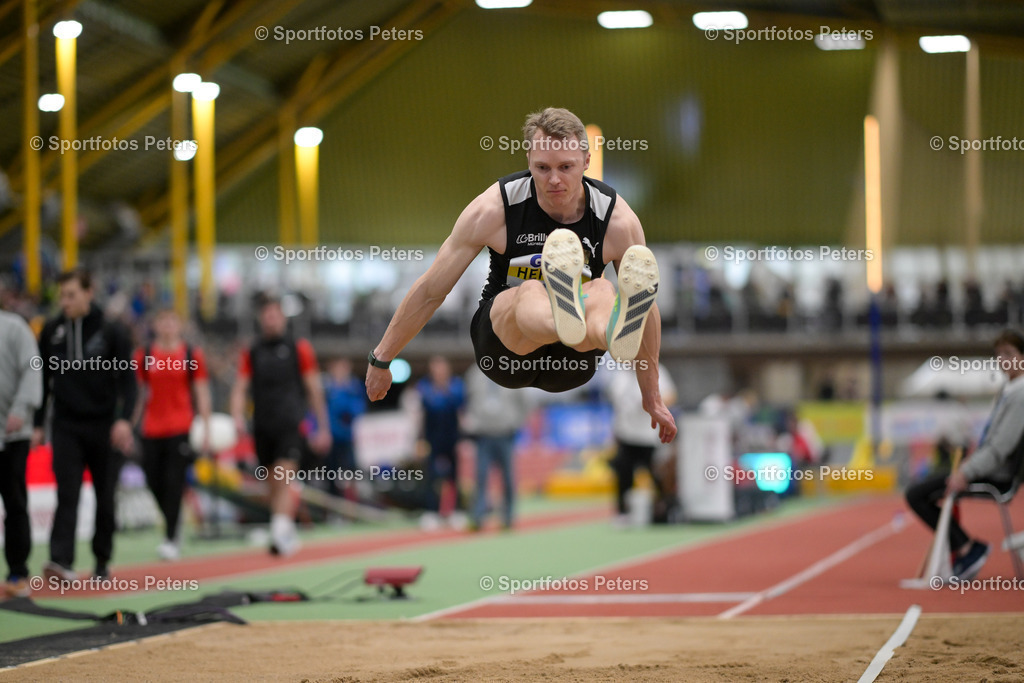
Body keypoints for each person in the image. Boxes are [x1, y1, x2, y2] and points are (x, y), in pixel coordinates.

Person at [365, 107, 676, 446]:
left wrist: (652, 396)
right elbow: (431, 290)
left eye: (565, 167)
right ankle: (564, 314)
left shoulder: (616, 220)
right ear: (528, 158)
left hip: (571, 363)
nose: (553, 179)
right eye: (542, 168)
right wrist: (382, 357)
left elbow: (646, 309)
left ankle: (609, 331)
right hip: (504, 352)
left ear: (587, 160)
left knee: (603, 290)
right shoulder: (494, 209)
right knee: (531, 291)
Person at [32, 268, 137, 581]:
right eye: (61, 296)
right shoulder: (51, 330)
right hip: (66, 425)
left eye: (71, 295)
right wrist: (38, 424)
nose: (64, 302)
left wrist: (124, 421)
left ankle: (102, 560)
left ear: (89, 293)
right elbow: (43, 381)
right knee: (67, 493)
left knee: (105, 497)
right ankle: (60, 561)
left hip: (105, 426)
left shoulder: (112, 331)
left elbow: (129, 382)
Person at [906, 329, 1024, 580]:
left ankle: (967, 548)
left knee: (915, 494)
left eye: (1009, 353)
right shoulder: (1009, 390)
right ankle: (966, 547)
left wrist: (966, 472)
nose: (1003, 360)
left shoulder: (1020, 395)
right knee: (921, 490)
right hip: (988, 468)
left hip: (997, 475)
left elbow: (1000, 447)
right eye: (999, 354)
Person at [230, 296, 331, 556]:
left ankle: (278, 530)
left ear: (283, 318)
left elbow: (314, 388)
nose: (271, 319)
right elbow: (240, 387)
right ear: (261, 319)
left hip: (291, 422)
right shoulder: (252, 351)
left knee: (284, 475)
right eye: (267, 315)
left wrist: (323, 427)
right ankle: (285, 528)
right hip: (262, 425)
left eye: (275, 315)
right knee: (272, 482)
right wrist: (237, 417)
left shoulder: (299, 348)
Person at [133, 309, 212, 561]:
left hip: (180, 427)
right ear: (155, 325)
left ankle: (171, 536)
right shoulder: (144, 355)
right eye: (163, 321)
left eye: (172, 321)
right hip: (151, 428)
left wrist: (206, 426)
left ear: (179, 325)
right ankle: (172, 521)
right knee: (152, 480)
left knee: (173, 482)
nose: (167, 326)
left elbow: (201, 391)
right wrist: (129, 424)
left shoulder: (190, 354)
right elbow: (138, 393)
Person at [0, 308, 43, 598]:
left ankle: (18, 572)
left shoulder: (14, 327)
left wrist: (21, 409)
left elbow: (33, 367)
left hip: (13, 433)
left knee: (14, 501)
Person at [605, 363, 677, 524]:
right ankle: (623, 512)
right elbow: (616, 405)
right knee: (623, 474)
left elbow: (671, 396)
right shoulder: (620, 375)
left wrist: (652, 402)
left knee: (656, 475)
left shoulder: (656, 370)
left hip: (648, 436)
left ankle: (666, 509)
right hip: (625, 435)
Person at [463, 364, 531, 531]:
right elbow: (468, 400)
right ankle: (478, 517)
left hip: (505, 433)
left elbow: (525, 402)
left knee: (508, 477)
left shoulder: (513, 369)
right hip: (483, 434)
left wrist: (517, 423)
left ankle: (508, 517)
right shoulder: (474, 373)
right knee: (480, 477)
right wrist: (472, 423)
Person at [414, 356, 465, 524]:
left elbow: (460, 409)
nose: (439, 371)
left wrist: (463, 439)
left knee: (454, 476)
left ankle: (456, 511)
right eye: (436, 368)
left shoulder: (456, 385)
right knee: (432, 476)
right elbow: (423, 413)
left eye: (442, 368)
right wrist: (419, 439)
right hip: (432, 438)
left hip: (452, 437)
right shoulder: (424, 386)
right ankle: (431, 512)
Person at [323, 357, 365, 500]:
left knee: (351, 471)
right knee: (330, 473)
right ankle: (332, 503)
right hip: (331, 437)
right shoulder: (327, 387)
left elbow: (357, 409)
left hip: (347, 437)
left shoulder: (353, 387)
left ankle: (352, 502)